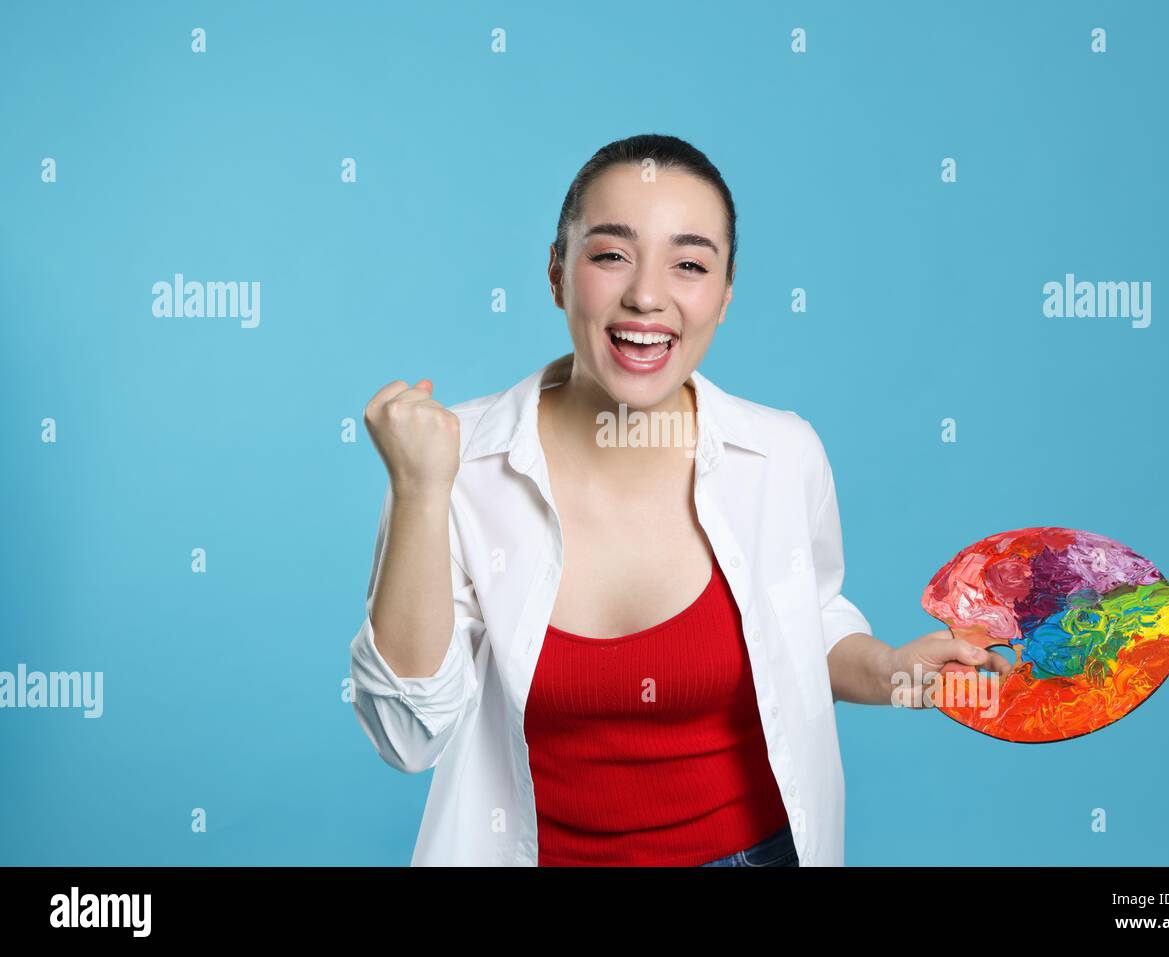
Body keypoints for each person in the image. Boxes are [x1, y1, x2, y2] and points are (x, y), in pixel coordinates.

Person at [350, 133, 1011, 867]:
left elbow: (805, 622)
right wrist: (418, 489)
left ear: (724, 297)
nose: (647, 295)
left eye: (689, 264)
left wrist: (888, 667)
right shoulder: (454, 462)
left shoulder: (782, 455)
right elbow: (408, 736)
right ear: (556, 273)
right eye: (610, 254)